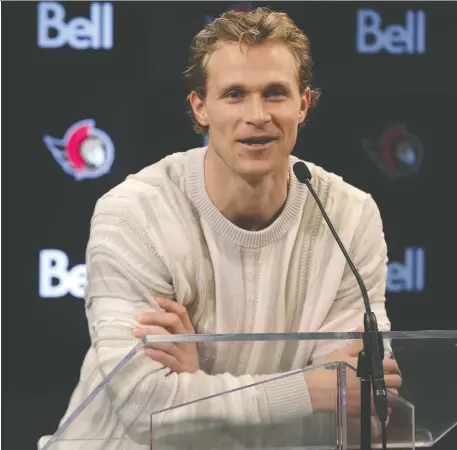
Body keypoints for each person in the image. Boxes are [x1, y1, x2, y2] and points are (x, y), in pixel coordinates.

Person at [44, 7, 402, 449]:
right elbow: (143, 407)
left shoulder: (349, 216)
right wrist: (309, 390)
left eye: (275, 93)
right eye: (234, 94)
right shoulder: (135, 214)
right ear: (201, 108)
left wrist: (196, 385)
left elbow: (361, 402)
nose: (257, 115)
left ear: (303, 104)